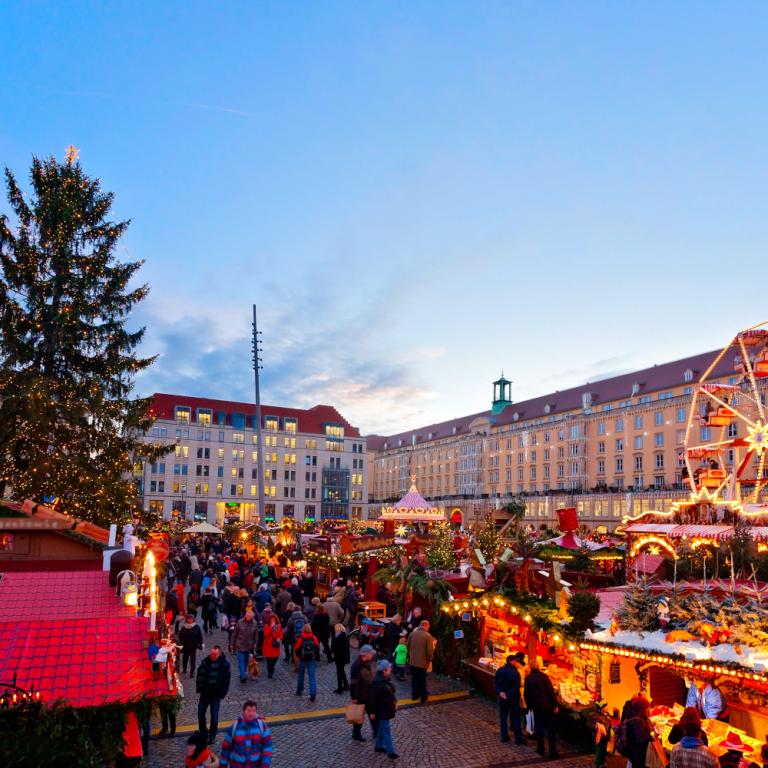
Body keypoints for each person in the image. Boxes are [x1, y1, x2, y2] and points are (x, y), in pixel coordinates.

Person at [219, 700, 272, 768]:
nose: (251, 713)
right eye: (248, 710)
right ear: (243, 711)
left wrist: (265, 765)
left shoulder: (262, 727)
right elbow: (226, 748)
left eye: (253, 711)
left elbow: (267, 747)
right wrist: (223, 765)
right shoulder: (234, 727)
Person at [196, 645, 231, 745]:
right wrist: (200, 689)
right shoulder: (205, 661)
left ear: (219, 654)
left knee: (214, 717)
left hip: (216, 694)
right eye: (211, 654)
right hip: (205, 693)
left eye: (214, 655)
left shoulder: (224, 664)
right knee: (200, 713)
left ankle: (212, 735)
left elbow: (226, 680)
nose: (212, 656)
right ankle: (203, 732)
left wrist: (222, 693)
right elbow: (200, 674)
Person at [524, 659, 559, 758]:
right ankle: (552, 751)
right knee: (551, 729)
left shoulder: (528, 679)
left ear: (530, 667)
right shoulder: (544, 677)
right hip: (548, 706)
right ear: (538, 667)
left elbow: (527, 694)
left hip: (536, 707)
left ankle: (541, 749)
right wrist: (555, 705)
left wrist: (529, 706)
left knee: (539, 727)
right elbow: (551, 692)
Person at [370, 659, 399, 760]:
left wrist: (394, 701)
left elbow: (390, 693)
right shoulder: (378, 683)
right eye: (389, 668)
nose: (391, 670)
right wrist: (372, 712)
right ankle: (390, 752)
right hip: (381, 711)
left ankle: (378, 746)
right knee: (386, 729)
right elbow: (372, 699)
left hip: (385, 709)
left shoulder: (385, 679)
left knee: (382, 729)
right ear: (384, 671)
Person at [494, 654, 524, 745]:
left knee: (503, 717)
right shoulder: (515, 673)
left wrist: (500, 693)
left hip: (502, 698)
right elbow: (516, 687)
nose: (517, 663)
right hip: (513, 698)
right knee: (515, 717)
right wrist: (508, 694)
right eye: (516, 661)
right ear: (512, 661)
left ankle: (504, 736)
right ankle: (518, 739)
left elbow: (495, 683)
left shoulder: (500, 670)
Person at [350, 644, 377, 742]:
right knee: (359, 716)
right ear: (365, 654)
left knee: (373, 715)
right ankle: (356, 734)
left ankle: (376, 733)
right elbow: (353, 683)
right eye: (371, 654)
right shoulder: (356, 666)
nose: (372, 655)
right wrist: (353, 697)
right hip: (361, 695)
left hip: (371, 694)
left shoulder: (370, 661)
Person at [406, 620, 434, 703]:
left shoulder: (412, 634)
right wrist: (430, 658)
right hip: (422, 663)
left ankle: (415, 695)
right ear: (425, 626)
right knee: (422, 680)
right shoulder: (428, 636)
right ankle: (423, 697)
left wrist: (411, 655)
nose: (428, 628)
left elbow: (407, 646)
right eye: (428, 626)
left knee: (414, 679)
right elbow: (429, 651)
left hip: (413, 662)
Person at [230, 609, 259, 684]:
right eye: (248, 616)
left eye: (250, 617)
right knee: (241, 661)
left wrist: (256, 643)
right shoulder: (240, 622)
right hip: (240, 645)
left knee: (246, 661)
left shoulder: (254, 623)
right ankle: (243, 675)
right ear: (245, 616)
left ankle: (243, 672)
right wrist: (232, 643)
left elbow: (256, 634)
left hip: (249, 646)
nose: (249, 618)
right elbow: (234, 633)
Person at [623, 695, 653, 768]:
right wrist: (651, 737)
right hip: (637, 753)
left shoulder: (636, 716)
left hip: (634, 752)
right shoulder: (637, 721)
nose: (649, 709)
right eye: (647, 707)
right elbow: (640, 739)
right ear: (642, 709)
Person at [294, 623, 320, 702]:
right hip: (311, 659)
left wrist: (299, 656)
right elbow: (317, 648)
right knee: (312, 677)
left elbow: (296, 648)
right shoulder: (314, 637)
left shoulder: (301, 638)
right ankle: (313, 694)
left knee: (301, 676)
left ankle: (299, 691)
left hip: (303, 659)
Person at [178, 613, 204, 678]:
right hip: (185, 645)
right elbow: (180, 636)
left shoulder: (196, 627)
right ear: (186, 620)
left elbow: (200, 636)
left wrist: (200, 644)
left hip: (193, 646)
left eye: (191, 619)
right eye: (188, 619)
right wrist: (181, 643)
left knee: (193, 659)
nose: (190, 620)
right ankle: (184, 669)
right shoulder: (184, 627)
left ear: (193, 619)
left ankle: (192, 672)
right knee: (185, 658)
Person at [262, 613, 283, 679]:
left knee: (275, 659)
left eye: (274, 619)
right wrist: (271, 627)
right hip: (268, 645)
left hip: (275, 645)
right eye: (272, 620)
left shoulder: (279, 626)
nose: (273, 621)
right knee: (269, 660)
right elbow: (266, 634)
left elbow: (281, 634)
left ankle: (272, 668)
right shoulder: (266, 626)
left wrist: (280, 638)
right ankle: (270, 672)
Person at [332, 623, 350, 693]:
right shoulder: (344, 636)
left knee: (339, 673)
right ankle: (346, 685)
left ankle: (340, 688)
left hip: (339, 658)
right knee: (342, 671)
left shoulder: (338, 638)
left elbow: (335, 649)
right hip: (343, 658)